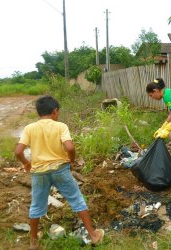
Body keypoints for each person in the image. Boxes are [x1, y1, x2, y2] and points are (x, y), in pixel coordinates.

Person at [14, 95, 104, 249]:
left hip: (39, 172)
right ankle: (93, 235)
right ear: (55, 111)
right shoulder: (61, 126)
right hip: (60, 169)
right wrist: (72, 161)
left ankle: (33, 242)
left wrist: (26, 163)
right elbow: (70, 147)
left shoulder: (29, 128)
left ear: (38, 112)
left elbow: (18, 152)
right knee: (77, 199)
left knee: (36, 206)